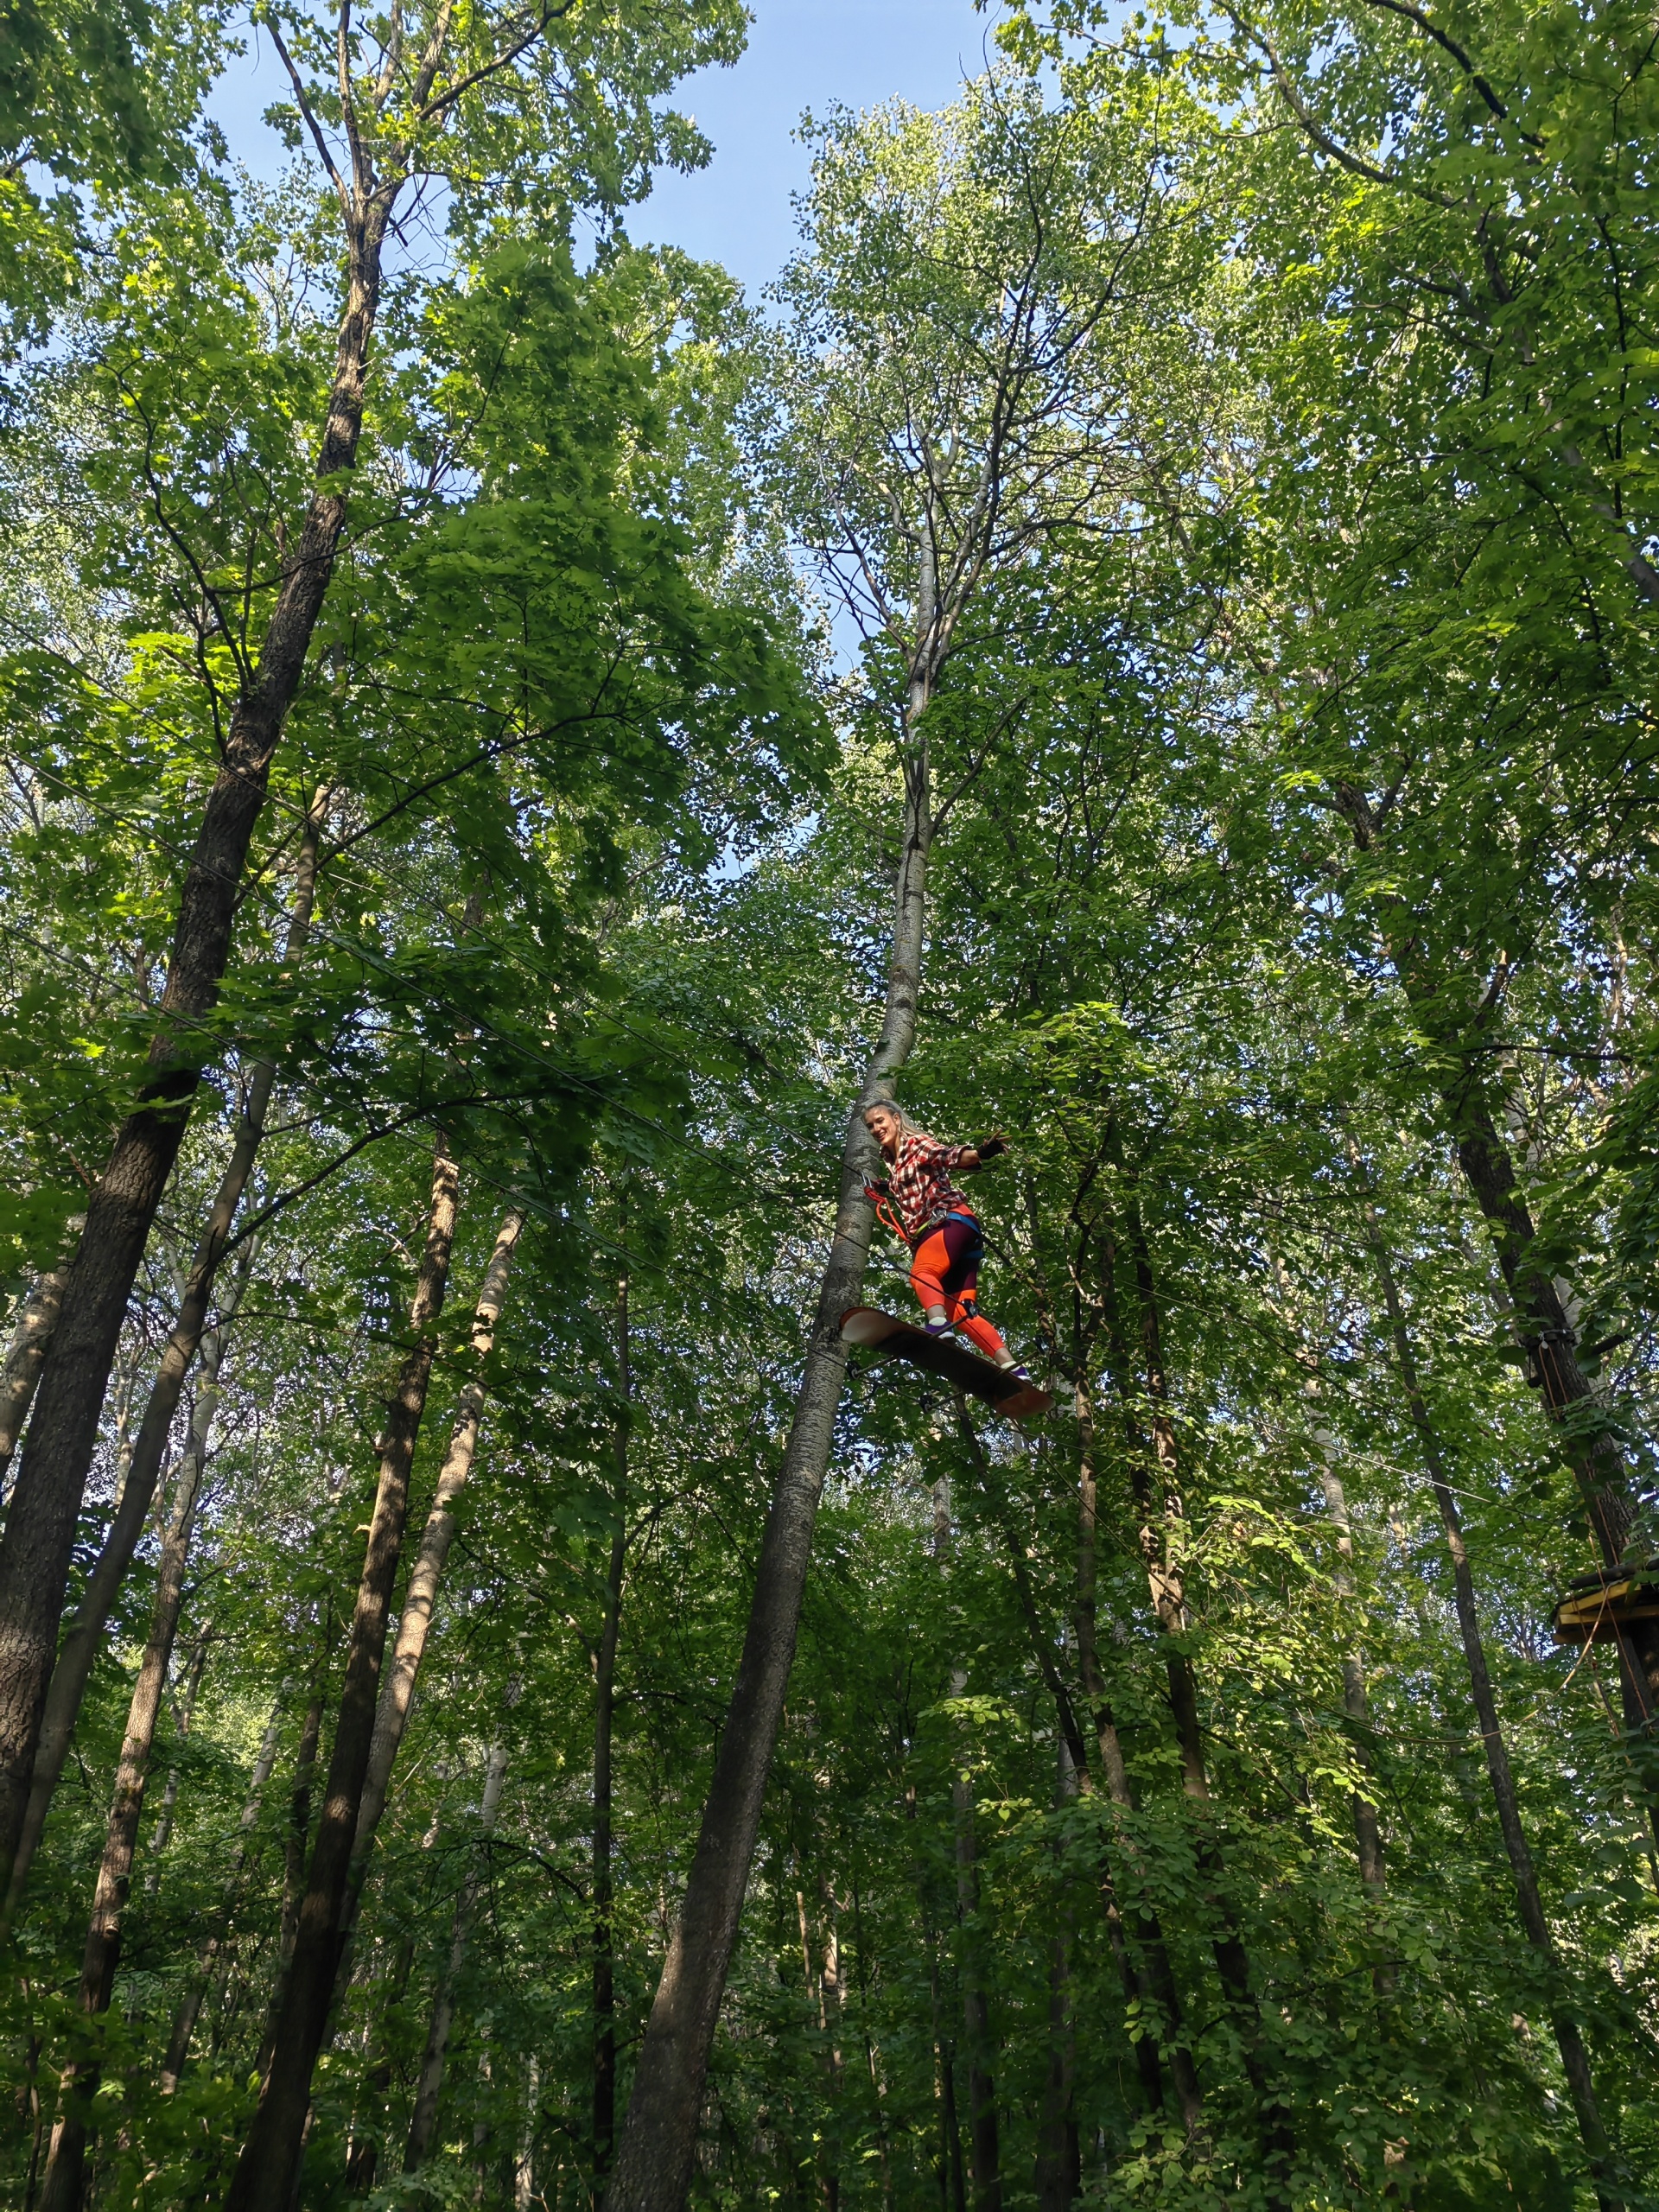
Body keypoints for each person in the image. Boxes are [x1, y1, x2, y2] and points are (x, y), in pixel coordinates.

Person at [861, 1103, 1027, 1376]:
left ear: (896, 1118)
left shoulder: (916, 1144)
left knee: (923, 1273)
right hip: (959, 1237)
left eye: (880, 1121)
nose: (876, 1129)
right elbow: (909, 1182)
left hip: (949, 1223)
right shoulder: (894, 1162)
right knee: (961, 1313)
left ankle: (937, 1325)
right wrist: (885, 1187)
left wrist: (980, 1153)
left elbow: (946, 1156)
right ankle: (1013, 1368)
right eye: (871, 1126)